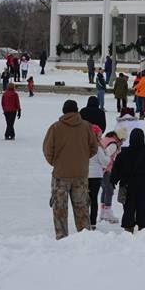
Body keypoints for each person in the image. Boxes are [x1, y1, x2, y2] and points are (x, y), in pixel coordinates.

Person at [43, 99, 99, 239]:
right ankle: (84, 237)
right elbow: (94, 148)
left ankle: (62, 237)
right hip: (81, 174)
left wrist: (56, 162)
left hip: (61, 174)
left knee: (60, 209)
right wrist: (83, 159)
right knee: (82, 208)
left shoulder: (55, 128)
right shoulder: (86, 127)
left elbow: (47, 150)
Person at [110, 127, 145, 234]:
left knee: (128, 209)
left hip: (128, 186)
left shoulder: (123, 154)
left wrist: (113, 180)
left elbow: (116, 170)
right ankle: (143, 230)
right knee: (144, 208)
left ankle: (128, 231)